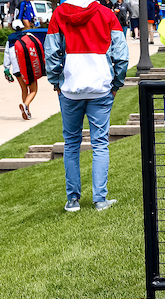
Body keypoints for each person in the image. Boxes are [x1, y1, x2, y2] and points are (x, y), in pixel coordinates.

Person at [46, 0, 127, 211]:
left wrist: (56, 81)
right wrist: (116, 83)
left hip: (70, 90)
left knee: (71, 143)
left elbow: (52, 54)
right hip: (100, 88)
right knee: (100, 144)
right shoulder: (107, 14)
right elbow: (121, 55)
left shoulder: (59, 14)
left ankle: (73, 200)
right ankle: (100, 199)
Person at [9, 26, 46, 119]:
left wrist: (6, 69)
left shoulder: (9, 41)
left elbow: (7, 55)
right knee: (33, 90)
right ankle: (26, 105)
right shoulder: (26, 39)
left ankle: (27, 111)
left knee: (24, 89)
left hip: (16, 69)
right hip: (27, 68)